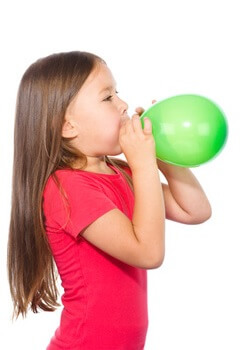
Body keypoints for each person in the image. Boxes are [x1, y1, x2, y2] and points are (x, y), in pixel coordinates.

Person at [7, 51, 212, 350]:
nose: (124, 104)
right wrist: (143, 165)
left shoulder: (122, 172)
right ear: (67, 126)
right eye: (107, 98)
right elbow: (148, 253)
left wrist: (164, 153)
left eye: (118, 93)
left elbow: (195, 210)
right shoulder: (66, 189)